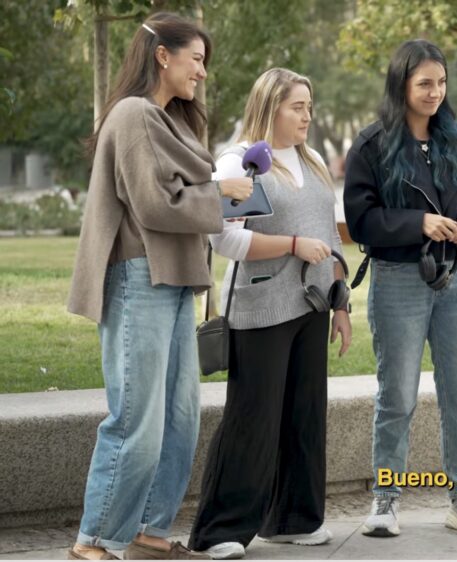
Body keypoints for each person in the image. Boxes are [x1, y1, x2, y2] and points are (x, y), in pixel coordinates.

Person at [66, 13, 253, 560]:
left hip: (173, 279)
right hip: (137, 277)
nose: (202, 72)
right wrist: (220, 195)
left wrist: (222, 197)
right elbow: (153, 203)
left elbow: (176, 196)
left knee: (180, 419)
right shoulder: (133, 114)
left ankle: (148, 532)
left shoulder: (170, 122)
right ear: (162, 56)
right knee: (137, 420)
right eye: (196, 59)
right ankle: (93, 541)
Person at [186, 68, 351, 559]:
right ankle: (218, 532)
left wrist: (341, 300)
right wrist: (292, 245)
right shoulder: (238, 162)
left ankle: (292, 520)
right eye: (297, 107)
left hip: (313, 304)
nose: (307, 116)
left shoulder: (313, 160)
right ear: (269, 107)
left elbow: (331, 234)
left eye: (309, 106)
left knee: (304, 416)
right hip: (261, 307)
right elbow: (225, 239)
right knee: (252, 418)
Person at [342, 39, 457, 538]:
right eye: (424, 83)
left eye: (442, 82)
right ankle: (386, 500)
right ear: (402, 85)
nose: (435, 92)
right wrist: (419, 223)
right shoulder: (371, 145)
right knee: (396, 397)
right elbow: (360, 220)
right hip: (397, 281)